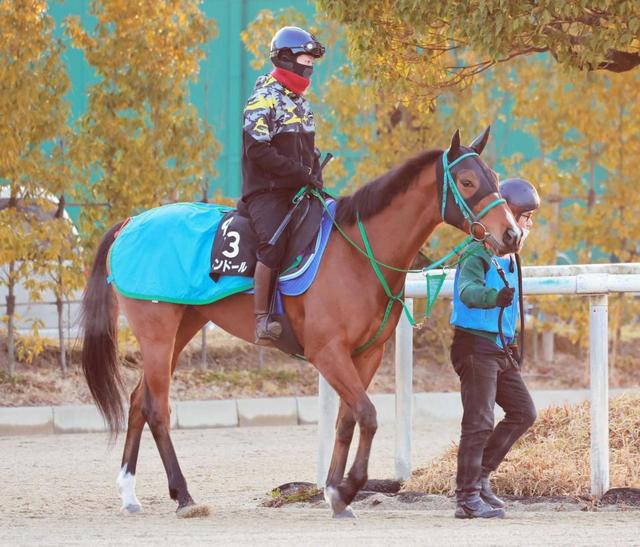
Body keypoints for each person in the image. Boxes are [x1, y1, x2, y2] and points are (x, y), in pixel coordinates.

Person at [449, 178, 541, 519]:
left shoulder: (509, 256)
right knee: (479, 421)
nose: (529, 225)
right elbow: (467, 291)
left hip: (499, 348)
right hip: (474, 346)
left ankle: (481, 477)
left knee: (524, 413)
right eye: (526, 217)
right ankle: (466, 497)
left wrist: (512, 342)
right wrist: (493, 298)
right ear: (508, 214)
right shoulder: (476, 253)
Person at [241, 26, 325, 344]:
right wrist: (298, 173)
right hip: (267, 193)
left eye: (312, 60)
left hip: (300, 189)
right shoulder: (263, 98)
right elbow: (257, 150)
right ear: (286, 59)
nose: (310, 66)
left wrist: (315, 178)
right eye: (305, 58)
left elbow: (309, 152)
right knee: (274, 243)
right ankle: (262, 318)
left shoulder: (302, 104)